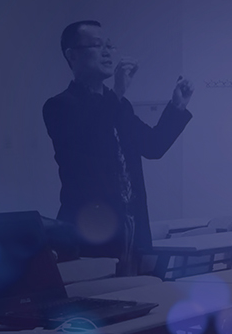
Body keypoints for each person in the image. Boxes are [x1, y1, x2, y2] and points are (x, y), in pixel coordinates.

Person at [43, 20, 193, 275]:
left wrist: (177, 107)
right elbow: (93, 141)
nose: (107, 53)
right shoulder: (60, 106)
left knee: (142, 292)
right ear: (72, 55)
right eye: (97, 45)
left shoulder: (120, 106)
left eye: (109, 46)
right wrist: (118, 91)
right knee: (103, 294)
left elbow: (153, 146)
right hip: (91, 227)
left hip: (132, 226)